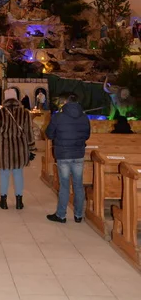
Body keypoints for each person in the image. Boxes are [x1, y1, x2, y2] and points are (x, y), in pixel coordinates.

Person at [45, 93, 90, 223]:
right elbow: (87, 135)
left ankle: (61, 215)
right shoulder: (84, 117)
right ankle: (78, 215)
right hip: (78, 154)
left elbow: (49, 133)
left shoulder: (58, 117)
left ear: (65, 102)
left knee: (64, 185)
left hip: (63, 154)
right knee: (78, 185)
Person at [0, 89, 36, 210]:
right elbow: (29, 132)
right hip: (20, 148)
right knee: (18, 173)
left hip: (3, 148)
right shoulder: (25, 113)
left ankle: (3, 201)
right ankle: (19, 201)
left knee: (4, 174)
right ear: (16, 98)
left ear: (5, 99)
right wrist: (31, 147)